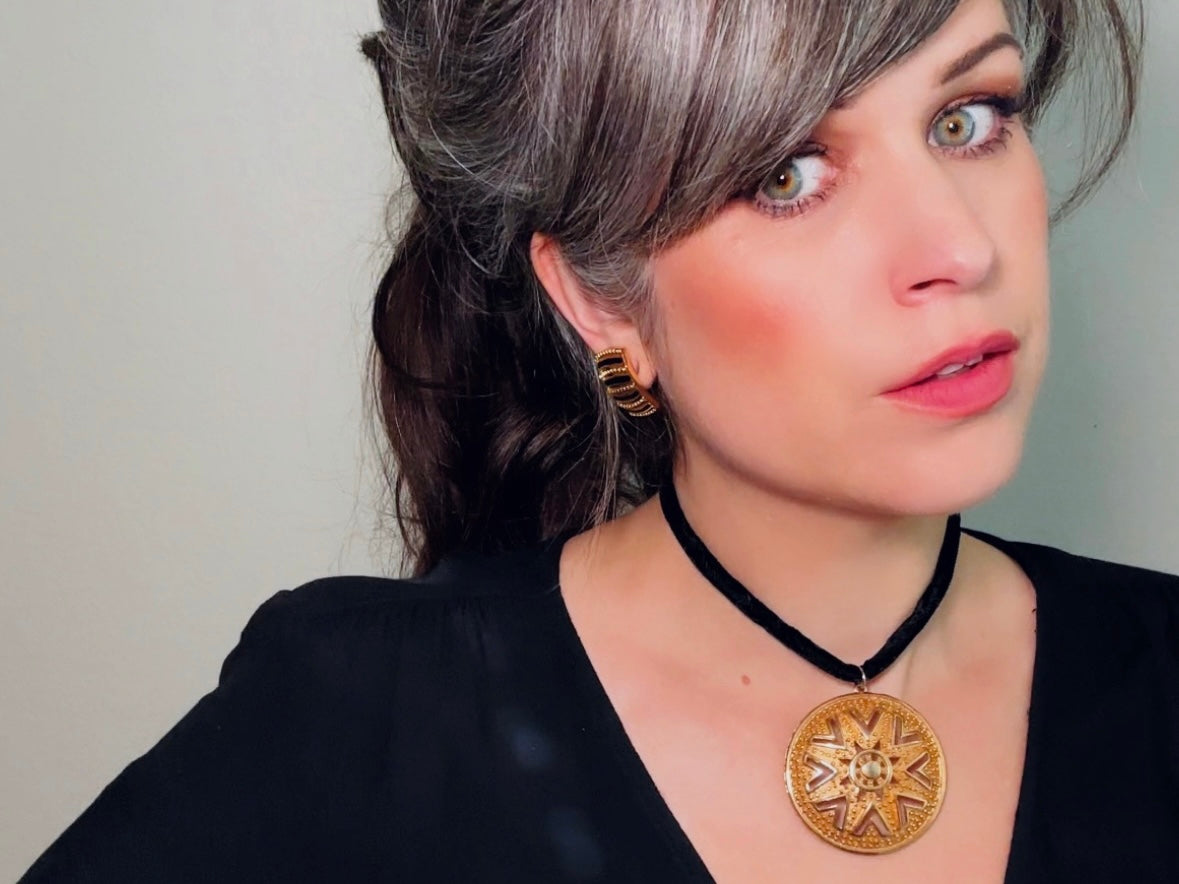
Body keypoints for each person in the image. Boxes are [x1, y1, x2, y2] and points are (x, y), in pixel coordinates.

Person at [21, 0, 1172, 880]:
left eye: (967, 120)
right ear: (596, 298)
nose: (960, 248)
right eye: (788, 174)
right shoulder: (354, 713)